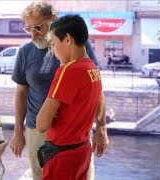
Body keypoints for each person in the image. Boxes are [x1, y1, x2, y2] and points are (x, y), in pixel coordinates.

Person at [10, 2, 109, 180]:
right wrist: (18, 131)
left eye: (38, 27)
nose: (33, 33)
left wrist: (101, 128)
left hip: (73, 137)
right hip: (37, 132)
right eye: (28, 28)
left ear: (52, 19)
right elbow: (21, 94)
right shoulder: (25, 52)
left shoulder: (76, 52)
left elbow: (96, 89)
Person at [36, 14, 104, 180]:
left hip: (62, 157)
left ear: (67, 39)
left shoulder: (68, 71)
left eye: (53, 43)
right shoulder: (93, 69)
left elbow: (41, 124)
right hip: (81, 151)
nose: (53, 50)